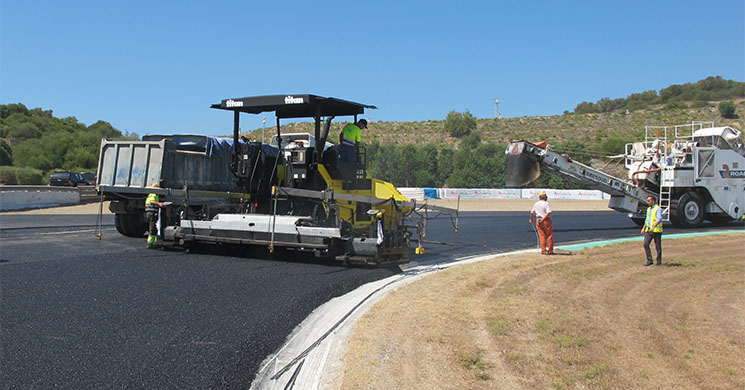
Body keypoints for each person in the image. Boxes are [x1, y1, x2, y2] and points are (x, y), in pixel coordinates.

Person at [529, 191, 554, 255]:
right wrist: (544, 218)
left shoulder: (536, 204)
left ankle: (543, 250)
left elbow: (532, 213)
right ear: (545, 197)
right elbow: (549, 212)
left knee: (542, 236)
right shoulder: (546, 204)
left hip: (538, 220)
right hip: (546, 220)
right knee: (549, 236)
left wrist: (531, 220)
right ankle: (550, 250)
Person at [641, 195, 663, 266]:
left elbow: (658, 219)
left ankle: (658, 261)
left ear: (653, 201)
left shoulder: (658, 209)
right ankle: (649, 260)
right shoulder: (648, 209)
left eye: (649, 200)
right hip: (648, 230)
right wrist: (643, 228)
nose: (647, 202)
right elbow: (647, 220)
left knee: (657, 246)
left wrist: (653, 227)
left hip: (656, 230)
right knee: (645, 244)